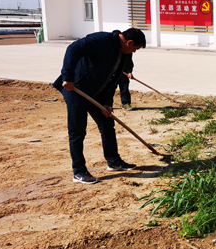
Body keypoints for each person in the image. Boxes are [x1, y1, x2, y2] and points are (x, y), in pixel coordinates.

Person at [53, 27, 146, 184]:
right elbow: (73, 49)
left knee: (107, 124)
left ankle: (113, 161)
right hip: (76, 89)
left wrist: (108, 102)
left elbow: (113, 79)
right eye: (135, 48)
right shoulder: (102, 40)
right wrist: (68, 77)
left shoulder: (123, 53)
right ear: (129, 42)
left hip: (97, 94)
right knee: (77, 131)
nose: (134, 52)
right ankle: (79, 171)